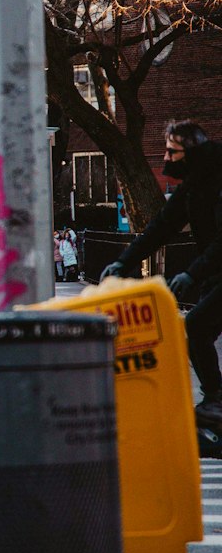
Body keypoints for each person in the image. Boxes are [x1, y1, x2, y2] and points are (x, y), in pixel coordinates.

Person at [100, 120, 222, 427]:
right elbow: (161, 228)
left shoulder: (216, 182)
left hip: (214, 271)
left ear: (192, 153)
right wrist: (122, 263)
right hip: (215, 273)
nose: (166, 158)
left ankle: (216, 401)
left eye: (172, 151)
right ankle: (215, 400)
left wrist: (191, 274)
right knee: (198, 331)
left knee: (196, 327)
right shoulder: (194, 185)